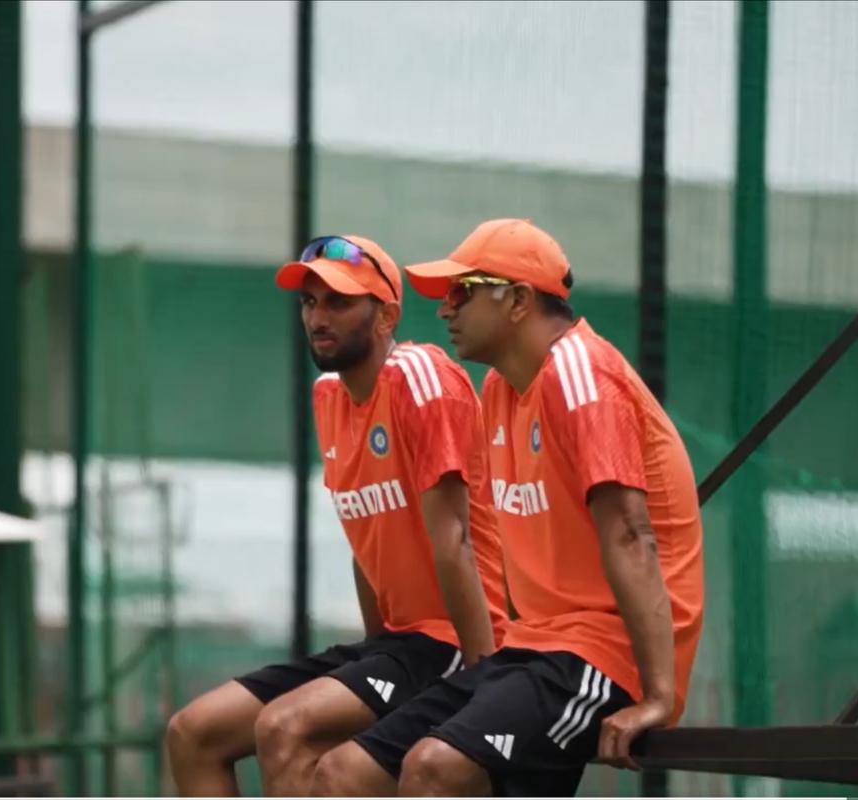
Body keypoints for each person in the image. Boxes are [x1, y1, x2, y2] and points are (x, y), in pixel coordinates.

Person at [311, 218, 705, 797]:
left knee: (433, 767)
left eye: (462, 292)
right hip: (531, 648)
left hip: (603, 654)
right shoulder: (497, 391)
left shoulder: (582, 375)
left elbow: (630, 535)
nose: (445, 309)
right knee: (341, 775)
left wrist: (657, 696)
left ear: (518, 300)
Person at [164, 234, 508, 796]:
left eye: (339, 302)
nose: (318, 317)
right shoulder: (329, 397)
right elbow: (364, 538)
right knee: (194, 732)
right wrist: (373, 661)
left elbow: (455, 541)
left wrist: (482, 677)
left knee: (285, 726)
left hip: (457, 638)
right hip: (398, 643)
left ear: (386, 315)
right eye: (309, 302)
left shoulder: (421, 379)